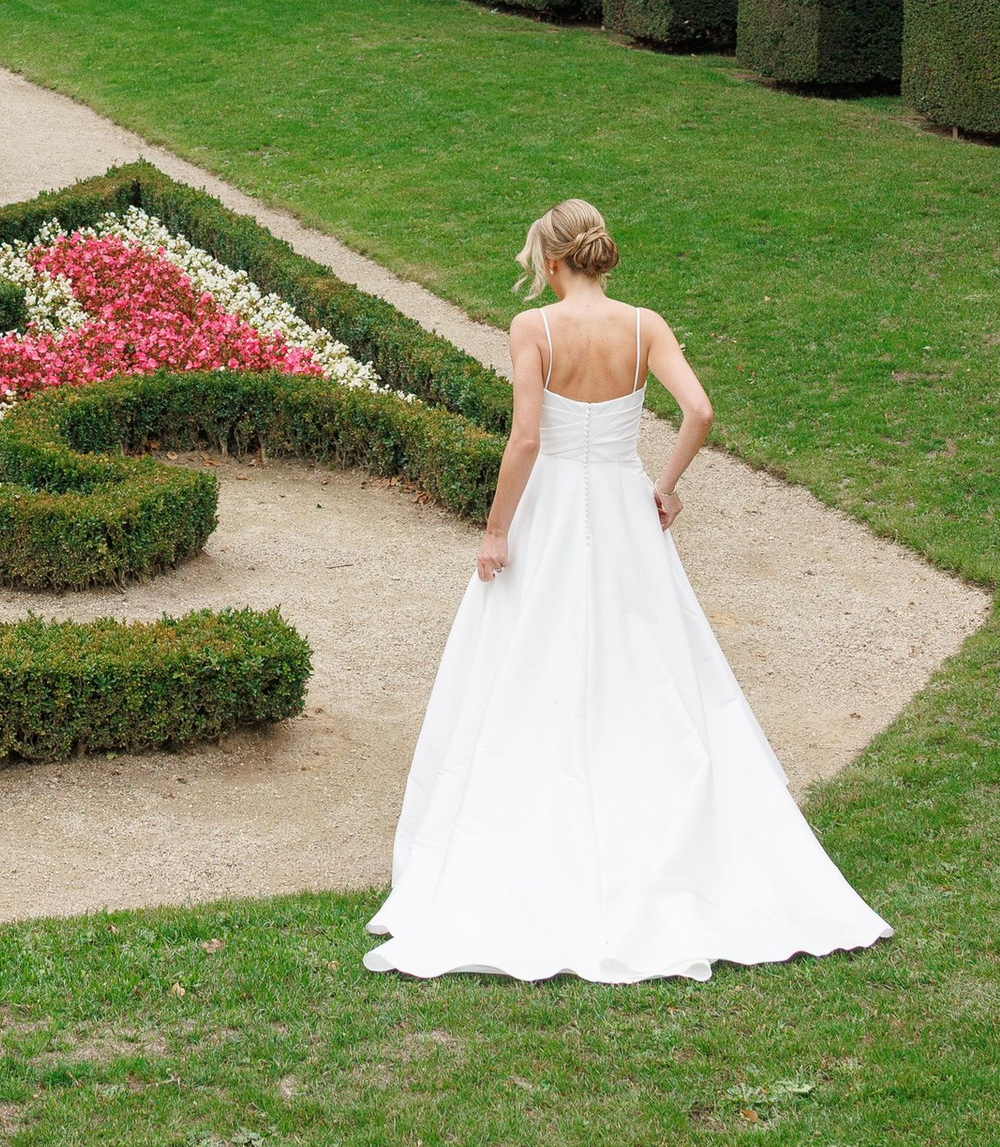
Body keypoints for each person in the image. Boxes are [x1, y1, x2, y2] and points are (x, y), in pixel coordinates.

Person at [365, 198, 889, 986]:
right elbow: (701, 410)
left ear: (549, 262)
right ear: (597, 254)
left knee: (524, 670)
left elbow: (529, 437)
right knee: (650, 668)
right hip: (622, 511)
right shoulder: (645, 326)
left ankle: (531, 842)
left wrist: (497, 528)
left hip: (549, 514)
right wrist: (667, 485)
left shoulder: (533, 330)